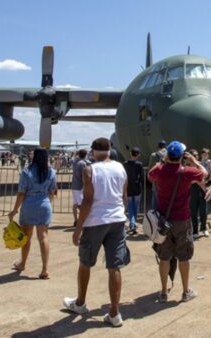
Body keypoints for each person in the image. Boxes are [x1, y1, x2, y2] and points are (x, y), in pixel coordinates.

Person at [63, 138, 129, 327]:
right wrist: (119, 214)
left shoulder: (89, 169)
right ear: (109, 150)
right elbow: (124, 197)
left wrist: (78, 228)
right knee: (114, 266)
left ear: (92, 152)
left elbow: (88, 200)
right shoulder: (120, 168)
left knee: (85, 263)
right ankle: (115, 313)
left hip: (95, 222)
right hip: (117, 220)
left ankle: (80, 303)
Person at [148, 141, 208, 302]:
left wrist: (162, 161)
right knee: (184, 257)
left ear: (168, 155)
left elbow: (150, 174)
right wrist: (194, 161)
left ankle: (163, 293)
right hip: (182, 220)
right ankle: (185, 291)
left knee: (164, 257)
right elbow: (204, 173)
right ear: (182, 156)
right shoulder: (187, 171)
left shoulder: (160, 170)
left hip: (163, 221)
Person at [8, 149, 57, 279]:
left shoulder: (26, 172)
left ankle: (22, 263)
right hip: (44, 203)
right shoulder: (51, 172)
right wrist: (47, 202)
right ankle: (45, 269)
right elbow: (52, 191)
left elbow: (21, 192)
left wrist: (14, 210)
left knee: (26, 237)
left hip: (29, 204)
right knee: (43, 237)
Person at [190, 148, 211, 239]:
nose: (196, 157)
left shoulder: (199, 165)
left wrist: (204, 181)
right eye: (194, 156)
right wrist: (198, 180)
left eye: (197, 155)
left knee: (204, 211)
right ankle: (195, 231)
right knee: (193, 212)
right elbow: (189, 181)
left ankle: (203, 228)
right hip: (192, 191)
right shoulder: (187, 167)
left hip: (202, 191)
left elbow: (206, 175)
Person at [124, 148, 144, 235]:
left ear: (130, 154)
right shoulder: (139, 164)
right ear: (138, 155)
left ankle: (133, 224)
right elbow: (142, 177)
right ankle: (133, 224)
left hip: (128, 188)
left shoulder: (125, 164)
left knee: (130, 208)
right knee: (136, 207)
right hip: (137, 188)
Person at [71, 149, 88, 227]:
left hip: (74, 185)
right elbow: (84, 176)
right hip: (80, 186)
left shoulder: (75, 162)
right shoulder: (83, 163)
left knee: (75, 203)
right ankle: (82, 220)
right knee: (81, 205)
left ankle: (76, 220)